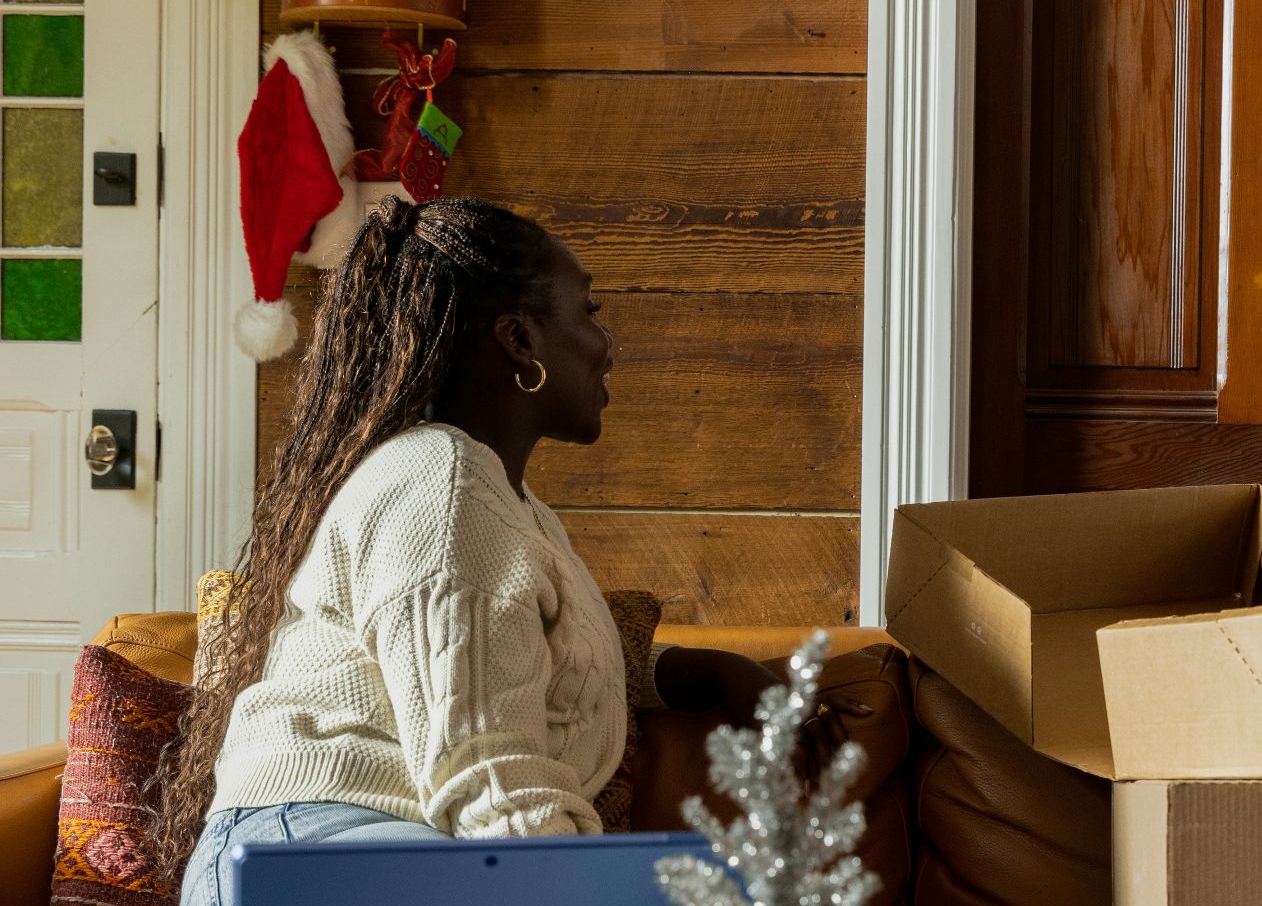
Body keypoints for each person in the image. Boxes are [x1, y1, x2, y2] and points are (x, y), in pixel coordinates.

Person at [148, 198, 787, 905]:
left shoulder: (500, 501)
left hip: (356, 849)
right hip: (320, 852)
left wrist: (704, 673)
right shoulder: (443, 486)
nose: (606, 344)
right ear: (520, 340)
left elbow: (516, 658)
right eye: (590, 311)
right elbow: (487, 774)